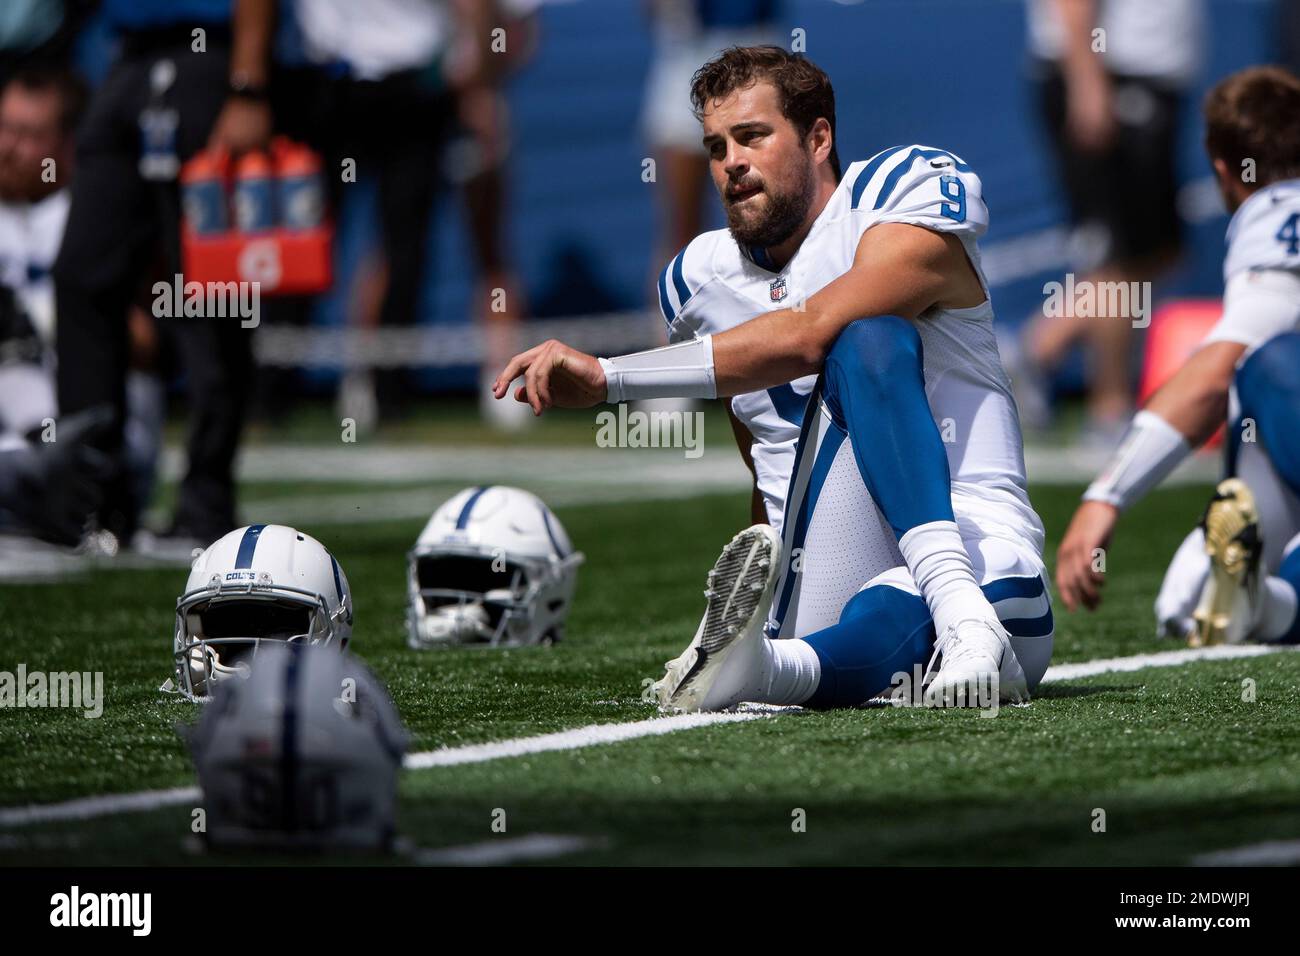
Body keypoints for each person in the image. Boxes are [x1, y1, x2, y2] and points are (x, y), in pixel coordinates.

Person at [493, 46, 1054, 710]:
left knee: (868, 336)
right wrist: (761, 593)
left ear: (819, 138)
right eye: (715, 146)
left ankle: (850, 646)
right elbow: (766, 455)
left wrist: (608, 378)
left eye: (753, 136)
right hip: (820, 575)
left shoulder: (894, 193)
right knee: (890, 615)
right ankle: (808, 653)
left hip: (973, 544)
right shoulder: (700, 279)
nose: (731, 162)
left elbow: (810, 335)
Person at [1056, 66, 1300, 648]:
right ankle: (1263, 603)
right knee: (1186, 599)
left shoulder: (1274, 216)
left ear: (1223, 171)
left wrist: (1105, 497)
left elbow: (1222, 368)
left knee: (1269, 364)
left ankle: (1260, 595)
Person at [52, 0, 275, 552]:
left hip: (205, 61)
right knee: (83, 273)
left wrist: (248, 86)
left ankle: (206, 502)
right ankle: (93, 503)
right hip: (130, 60)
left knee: (209, 292)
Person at [1008, 0, 1204, 439]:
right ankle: (1109, 411)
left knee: (1158, 251)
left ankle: (1035, 350)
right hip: (1111, 79)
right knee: (1116, 258)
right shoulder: (1100, 77)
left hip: (1144, 81)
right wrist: (1087, 81)